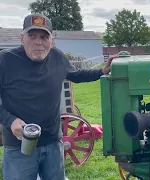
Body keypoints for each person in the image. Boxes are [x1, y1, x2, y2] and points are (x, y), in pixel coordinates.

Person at [0, 13, 117, 180]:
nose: (38, 42)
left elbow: (77, 74)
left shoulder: (58, 57)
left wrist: (101, 72)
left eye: (43, 36)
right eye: (32, 36)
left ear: (52, 40)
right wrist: (10, 121)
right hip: (19, 147)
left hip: (54, 144)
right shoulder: (5, 60)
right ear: (22, 38)